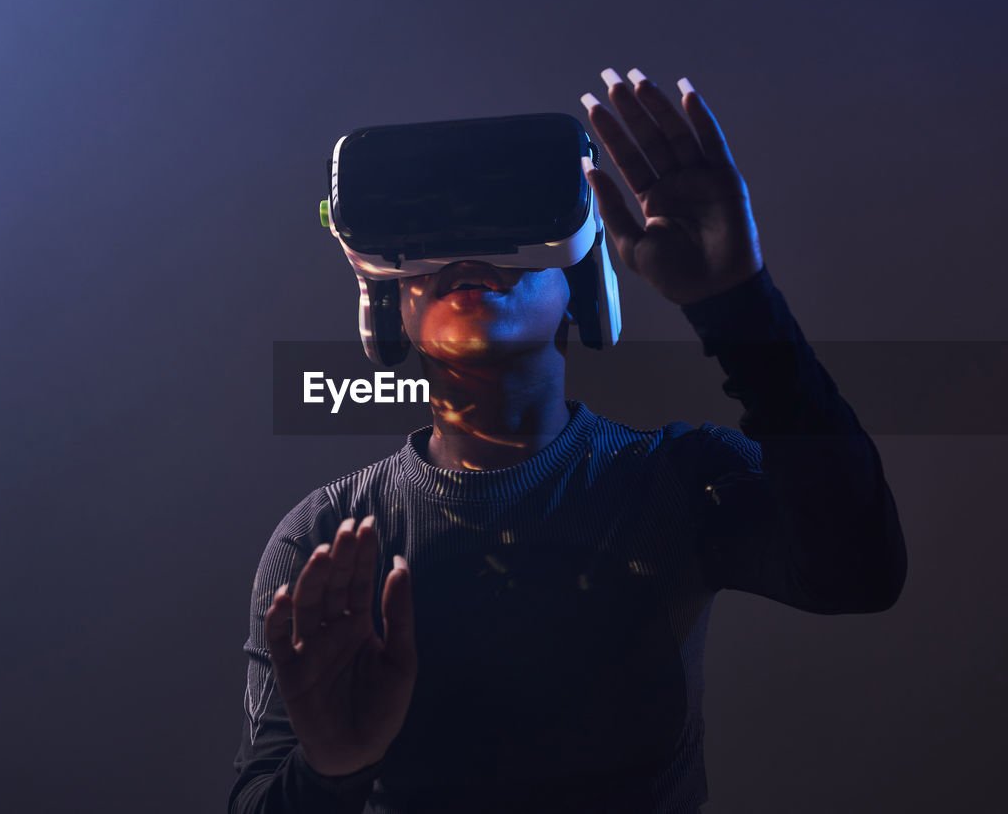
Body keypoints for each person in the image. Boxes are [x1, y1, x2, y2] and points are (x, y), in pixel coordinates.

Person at [228, 68, 908, 813]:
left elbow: (859, 571)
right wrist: (330, 769)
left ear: (581, 275)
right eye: (434, 224)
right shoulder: (326, 541)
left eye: (506, 212)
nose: (469, 250)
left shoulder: (679, 482)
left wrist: (739, 304)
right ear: (389, 289)